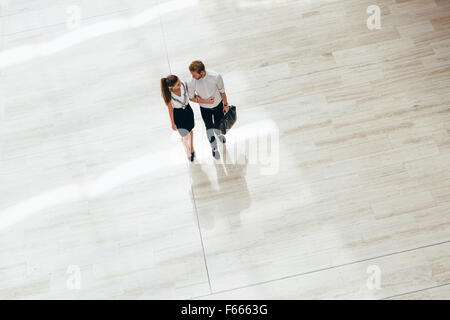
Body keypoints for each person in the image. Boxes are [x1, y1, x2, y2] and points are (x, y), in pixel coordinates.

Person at [188, 60, 230, 160]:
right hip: (204, 109)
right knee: (209, 128)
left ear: (202, 72)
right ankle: (214, 148)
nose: (192, 76)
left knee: (218, 125)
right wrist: (205, 101)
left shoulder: (216, 76)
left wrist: (226, 104)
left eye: (194, 75)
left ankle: (219, 134)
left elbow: (222, 91)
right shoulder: (191, 82)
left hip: (218, 106)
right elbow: (191, 97)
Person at [161, 75, 207, 162]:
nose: (180, 84)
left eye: (179, 81)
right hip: (178, 114)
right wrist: (172, 123)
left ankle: (192, 147)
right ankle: (187, 150)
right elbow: (170, 110)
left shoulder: (183, 85)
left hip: (188, 111)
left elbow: (191, 94)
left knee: (190, 131)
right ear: (171, 87)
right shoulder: (168, 95)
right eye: (177, 84)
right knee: (185, 136)